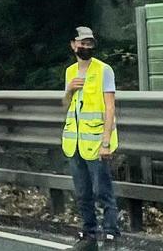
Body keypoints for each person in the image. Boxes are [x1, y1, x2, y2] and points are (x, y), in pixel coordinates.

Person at [63, 26, 120, 251]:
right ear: (73, 44)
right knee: (83, 192)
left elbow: (110, 106)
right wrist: (68, 91)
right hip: (75, 142)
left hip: (96, 142)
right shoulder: (70, 72)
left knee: (103, 191)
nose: (86, 47)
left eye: (89, 43)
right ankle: (88, 234)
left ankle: (111, 235)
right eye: (82, 43)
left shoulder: (104, 70)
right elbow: (66, 106)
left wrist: (106, 142)